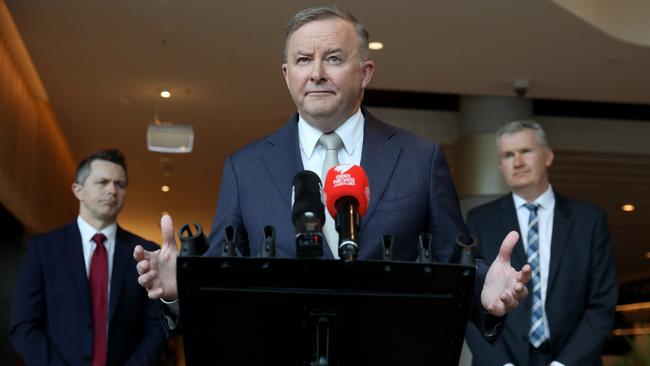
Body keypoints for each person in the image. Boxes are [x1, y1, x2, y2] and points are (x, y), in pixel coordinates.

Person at [134, 6, 530, 331]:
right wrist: (178, 290)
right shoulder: (245, 168)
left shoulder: (420, 159)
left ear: (366, 72)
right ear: (288, 76)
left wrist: (483, 289)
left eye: (334, 59)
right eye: (303, 60)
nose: (317, 73)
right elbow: (220, 282)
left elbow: (451, 263)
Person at [464, 120, 618, 365]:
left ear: (547, 156)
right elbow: (467, 303)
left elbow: (602, 305)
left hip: (573, 360)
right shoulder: (479, 221)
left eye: (525, 151)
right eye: (508, 155)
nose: (517, 162)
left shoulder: (590, 221)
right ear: (500, 166)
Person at [10, 149, 167, 365]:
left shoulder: (144, 252)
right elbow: (23, 325)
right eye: (102, 182)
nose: (112, 190)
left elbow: (156, 327)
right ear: (78, 190)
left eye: (120, 184)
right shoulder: (43, 249)